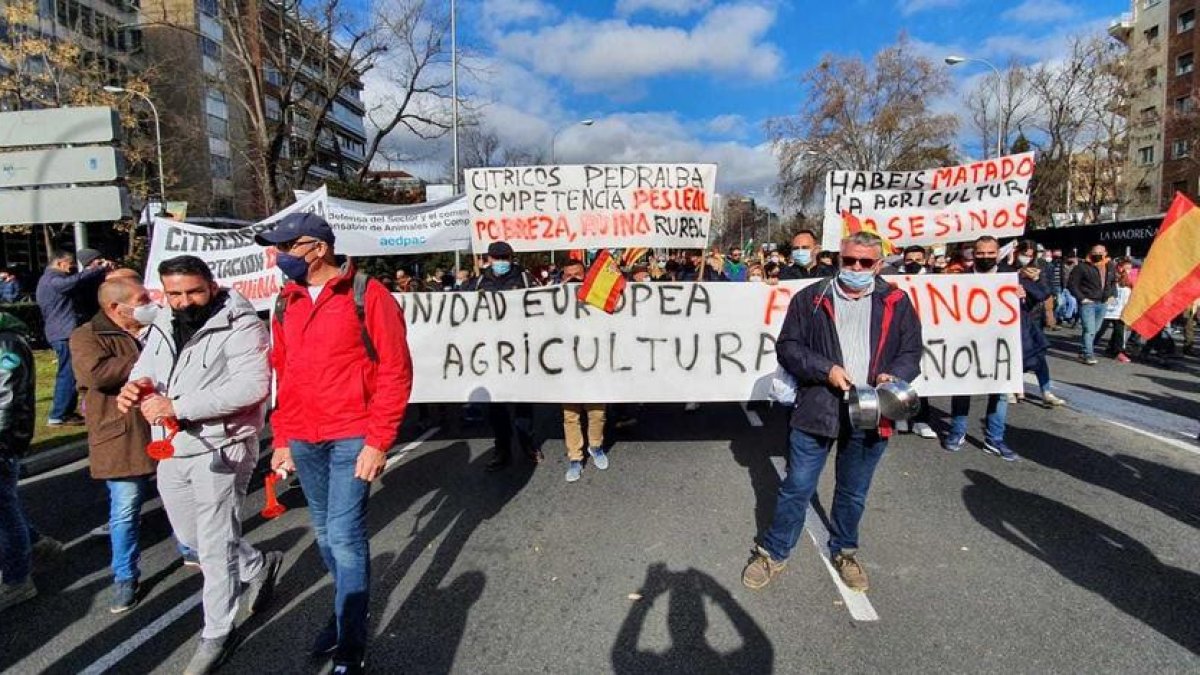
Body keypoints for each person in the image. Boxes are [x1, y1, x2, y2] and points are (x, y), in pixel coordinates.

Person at [257, 213, 413, 674]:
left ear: (318, 248)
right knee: (325, 535)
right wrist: (282, 437)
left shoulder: (369, 295)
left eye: (287, 246)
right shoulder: (285, 302)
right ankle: (350, 610)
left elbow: (395, 371)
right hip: (304, 438)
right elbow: (283, 373)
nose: (278, 256)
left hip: (352, 435)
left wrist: (379, 440)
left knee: (344, 537)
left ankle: (350, 638)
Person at [117, 256, 282, 675]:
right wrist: (136, 387)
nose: (185, 302)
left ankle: (216, 634)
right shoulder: (162, 323)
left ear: (211, 285)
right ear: (164, 292)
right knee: (192, 537)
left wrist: (179, 406)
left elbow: (253, 386)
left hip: (220, 446)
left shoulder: (241, 323)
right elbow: (147, 368)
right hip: (171, 447)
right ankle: (258, 566)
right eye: (175, 294)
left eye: (194, 291)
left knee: (212, 547)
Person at [742, 232, 922, 593]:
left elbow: (911, 350)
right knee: (796, 486)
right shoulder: (811, 298)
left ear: (879, 264)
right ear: (838, 259)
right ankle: (773, 552)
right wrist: (826, 370)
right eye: (849, 261)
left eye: (865, 262)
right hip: (817, 407)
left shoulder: (897, 302)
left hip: (872, 409)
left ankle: (845, 551)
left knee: (854, 490)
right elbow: (788, 348)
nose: (856, 268)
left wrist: (895, 375)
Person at [70, 279, 161, 613]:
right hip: (121, 435)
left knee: (183, 497)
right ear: (115, 308)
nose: (149, 302)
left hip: (162, 427)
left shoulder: (157, 328)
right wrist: (149, 358)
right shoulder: (86, 335)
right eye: (142, 299)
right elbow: (95, 374)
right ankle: (125, 577)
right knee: (125, 509)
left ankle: (191, 551)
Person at [943, 237, 1022, 461]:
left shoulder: (1011, 276)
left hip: (1000, 344)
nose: (985, 257)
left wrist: (1022, 296)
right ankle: (957, 432)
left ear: (998, 253)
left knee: (1000, 391)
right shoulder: (960, 279)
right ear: (973, 254)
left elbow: (1042, 293)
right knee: (962, 387)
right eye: (980, 253)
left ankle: (994, 439)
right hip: (967, 343)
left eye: (990, 253)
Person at [471, 242, 541, 470]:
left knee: (522, 403)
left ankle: (528, 445)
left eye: (504, 257)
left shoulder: (525, 278)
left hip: (519, 351)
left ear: (511, 257)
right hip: (491, 354)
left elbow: (542, 305)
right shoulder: (478, 282)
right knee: (496, 407)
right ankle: (502, 449)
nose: (500, 261)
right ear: (488, 258)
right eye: (496, 257)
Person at [36, 250, 110, 426]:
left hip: (61, 332)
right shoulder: (53, 280)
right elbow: (71, 282)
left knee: (71, 373)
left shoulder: (50, 280)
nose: (73, 268)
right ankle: (59, 414)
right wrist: (95, 270)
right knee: (68, 373)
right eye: (70, 264)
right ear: (60, 263)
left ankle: (64, 412)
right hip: (63, 333)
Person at [0, 311, 41, 612]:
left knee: (3, 508)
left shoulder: (7, 344)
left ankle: (18, 580)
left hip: (4, 438)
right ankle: (34, 543)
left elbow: (6, 398)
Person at [557, 259, 610, 483]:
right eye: (568, 276)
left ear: (586, 274)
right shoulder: (553, 298)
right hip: (567, 365)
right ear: (562, 278)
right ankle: (575, 458)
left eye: (578, 274)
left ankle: (595, 447)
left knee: (597, 412)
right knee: (571, 415)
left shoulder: (598, 295)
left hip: (595, 361)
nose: (573, 279)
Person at [882, 247, 936, 439]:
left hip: (932, 330)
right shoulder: (893, 278)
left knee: (924, 376)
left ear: (926, 260)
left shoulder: (937, 277)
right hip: (902, 329)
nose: (913, 262)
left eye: (918, 259)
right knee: (900, 371)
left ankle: (922, 420)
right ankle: (900, 415)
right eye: (909, 259)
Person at [1017, 263, 1067, 407]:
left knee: (1039, 357)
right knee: (1016, 357)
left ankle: (1046, 391)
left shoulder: (1040, 273)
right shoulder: (1010, 273)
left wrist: (1037, 279)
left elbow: (1045, 294)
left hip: (1033, 320)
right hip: (1014, 322)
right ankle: (1016, 387)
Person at [1067, 244, 1117, 365]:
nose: (1097, 255)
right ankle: (1088, 354)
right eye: (1094, 253)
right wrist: (1082, 298)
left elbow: (1112, 281)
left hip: (1103, 302)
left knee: (1095, 329)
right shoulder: (1082, 267)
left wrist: (1112, 295)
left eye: (1100, 253)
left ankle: (1084, 350)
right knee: (1089, 329)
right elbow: (1072, 284)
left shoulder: (1109, 265)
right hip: (1088, 302)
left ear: (1105, 253)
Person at [1099, 259, 1133, 363]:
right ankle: (1088, 346)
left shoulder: (1128, 281)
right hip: (1107, 311)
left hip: (1120, 312)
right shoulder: (1110, 277)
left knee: (1119, 333)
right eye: (1125, 268)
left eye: (1129, 269)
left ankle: (1118, 351)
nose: (1127, 270)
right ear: (1119, 267)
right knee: (1099, 331)